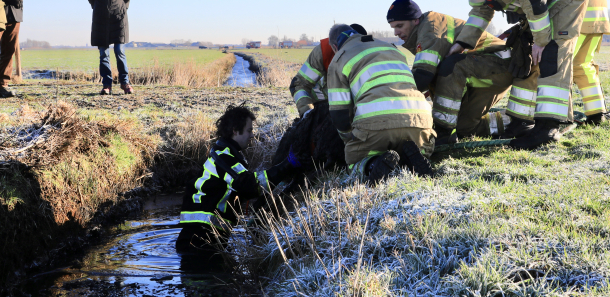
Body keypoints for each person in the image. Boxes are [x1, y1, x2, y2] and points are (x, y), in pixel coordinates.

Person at [437, 0, 592, 149]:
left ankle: (548, 128)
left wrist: (541, 40)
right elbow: (480, 11)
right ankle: (521, 123)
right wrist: (462, 44)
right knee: (525, 55)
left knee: (552, 51)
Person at [386, 0, 527, 143]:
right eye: (393, 27)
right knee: (464, 127)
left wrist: (390, 97)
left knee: (452, 66)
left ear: (415, 20)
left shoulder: (430, 30)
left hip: (499, 65)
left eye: (399, 26)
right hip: (483, 70)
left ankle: (443, 132)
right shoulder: (423, 31)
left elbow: (422, 77)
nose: (396, 32)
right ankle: (513, 123)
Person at [176, 105, 307, 259]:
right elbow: (251, 186)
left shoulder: (224, 152)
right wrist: (286, 166)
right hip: (200, 240)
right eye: (249, 130)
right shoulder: (224, 157)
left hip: (202, 237)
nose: (252, 135)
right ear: (235, 131)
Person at [514, 0, 610, 126]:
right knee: (582, 64)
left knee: (557, 66)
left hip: (576, 15)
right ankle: (597, 115)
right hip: (597, 16)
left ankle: (559, 117)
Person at [326, 24, 434, 183]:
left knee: (354, 161)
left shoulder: (339, 57)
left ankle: (373, 164)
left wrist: (351, 140)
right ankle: (409, 160)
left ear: (335, 46)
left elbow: (339, 115)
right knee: (415, 146)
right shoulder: (392, 48)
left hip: (376, 124)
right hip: (420, 121)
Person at [289, 23, 367, 118]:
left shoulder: (369, 52)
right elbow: (299, 84)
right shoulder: (323, 52)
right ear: (336, 46)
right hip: (322, 104)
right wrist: (308, 114)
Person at [86, 0, 132, 95]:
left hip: (118, 20)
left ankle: (125, 83)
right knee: (103, 54)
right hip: (100, 21)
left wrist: (119, 10)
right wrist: (101, 10)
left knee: (119, 51)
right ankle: (107, 85)